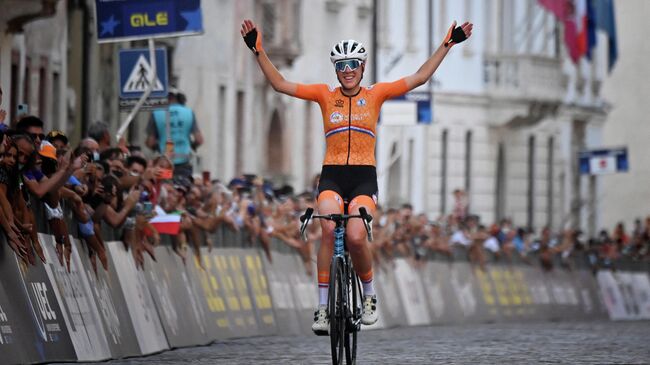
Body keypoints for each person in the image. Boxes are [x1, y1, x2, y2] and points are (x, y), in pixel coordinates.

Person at [240, 18, 473, 334]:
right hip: (332, 175)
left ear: (362, 67)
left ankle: (369, 296)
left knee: (355, 236)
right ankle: (323, 308)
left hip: (364, 177)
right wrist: (258, 51)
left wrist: (447, 45)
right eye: (341, 65)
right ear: (336, 70)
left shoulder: (375, 95)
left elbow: (420, 77)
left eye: (353, 64)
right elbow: (281, 84)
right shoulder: (325, 95)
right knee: (325, 229)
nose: (347, 69)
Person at [146, 89, 204, 178]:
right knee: (182, 189)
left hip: (164, 163)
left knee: (166, 187)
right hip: (184, 162)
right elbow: (199, 140)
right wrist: (191, 146)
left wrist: (157, 148)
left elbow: (150, 142)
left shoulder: (156, 113)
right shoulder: (188, 113)